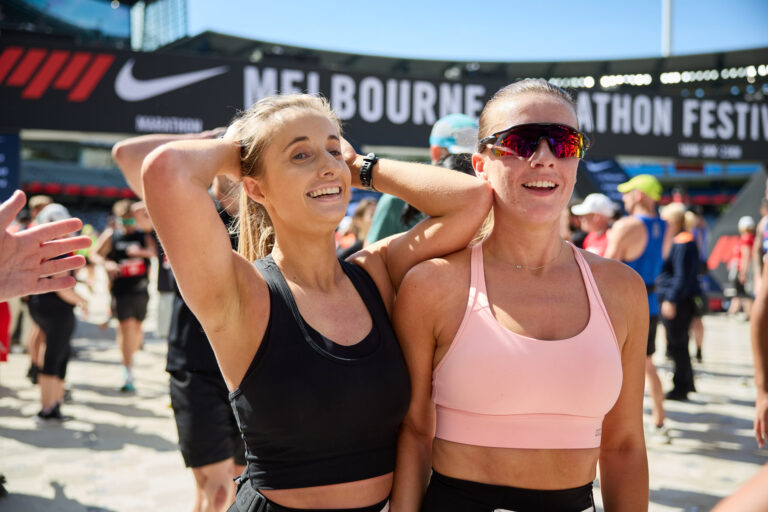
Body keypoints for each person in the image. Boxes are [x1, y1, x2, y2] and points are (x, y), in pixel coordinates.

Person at [141, 94, 492, 511]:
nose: (327, 165)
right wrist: (245, 153)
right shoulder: (243, 293)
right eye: (300, 155)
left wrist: (357, 166)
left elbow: (473, 200)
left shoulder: (375, 274)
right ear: (255, 187)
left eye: (333, 150)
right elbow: (166, 169)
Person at [392, 79, 648, 511]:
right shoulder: (433, 285)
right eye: (520, 142)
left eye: (564, 143)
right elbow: (414, 433)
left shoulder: (622, 288)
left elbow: (624, 445)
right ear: (480, 164)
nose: (544, 157)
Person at [113, 128, 247, 512]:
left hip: (248, 369)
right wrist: (215, 138)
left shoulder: (261, 216)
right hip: (195, 366)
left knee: (238, 486)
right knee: (216, 492)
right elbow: (125, 154)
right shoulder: (189, 207)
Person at [604, 173, 672, 441]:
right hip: (649, 304)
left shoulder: (627, 226)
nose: (624, 198)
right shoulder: (665, 226)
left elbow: (605, 269)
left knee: (614, 367)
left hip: (621, 305)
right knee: (647, 363)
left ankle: (617, 426)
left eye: (627, 193)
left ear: (639, 195)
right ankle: (659, 419)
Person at [365, 112, 478, 244]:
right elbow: (370, 254)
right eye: (460, 160)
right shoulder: (394, 202)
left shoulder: (484, 202)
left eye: (472, 159)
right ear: (436, 153)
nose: (469, 167)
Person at [27, 203, 88, 422]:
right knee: (55, 356)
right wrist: (83, 302)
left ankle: (54, 403)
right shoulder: (57, 250)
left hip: (42, 304)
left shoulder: (42, 247)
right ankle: (48, 408)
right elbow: (62, 287)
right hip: (55, 308)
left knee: (56, 354)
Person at [91, 199, 158, 392]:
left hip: (141, 289)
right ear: (118, 219)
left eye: (130, 221)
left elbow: (155, 252)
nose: (127, 225)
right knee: (126, 327)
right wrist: (107, 264)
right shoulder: (111, 235)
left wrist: (141, 252)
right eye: (124, 221)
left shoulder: (143, 235)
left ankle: (129, 359)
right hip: (121, 290)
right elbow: (94, 254)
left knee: (136, 329)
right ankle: (127, 371)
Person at [0, 190, 90, 301]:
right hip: (41, 298)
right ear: (35, 211)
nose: (50, 214)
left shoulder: (58, 240)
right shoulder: (19, 233)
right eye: (45, 210)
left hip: (39, 293)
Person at [657, 202, 700, 401]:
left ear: (673, 221)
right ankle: (686, 383)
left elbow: (681, 276)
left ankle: (681, 386)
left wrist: (671, 299)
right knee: (679, 344)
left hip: (678, 301)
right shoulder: (682, 240)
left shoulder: (683, 242)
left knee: (678, 344)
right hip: (679, 299)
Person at [727, 215, 755, 319]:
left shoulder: (746, 238)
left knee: (745, 294)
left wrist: (743, 272)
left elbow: (746, 256)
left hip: (742, 269)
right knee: (739, 293)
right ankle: (734, 311)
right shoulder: (749, 238)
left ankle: (750, 314)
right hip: (742, 269)